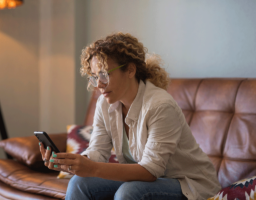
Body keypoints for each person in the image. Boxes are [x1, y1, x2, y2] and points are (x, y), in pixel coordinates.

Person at [39, 32, 221, 200]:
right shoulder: (105, 103)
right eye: (94, 77)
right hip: (145, 180)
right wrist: (70, 163)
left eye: (105, 74)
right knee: (79, 183)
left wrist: (92, 168)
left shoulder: (160, 106)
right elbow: (98, 152)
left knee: (129, 192)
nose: (99, 85)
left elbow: (150, 171)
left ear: (130, 70)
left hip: (186, 183)